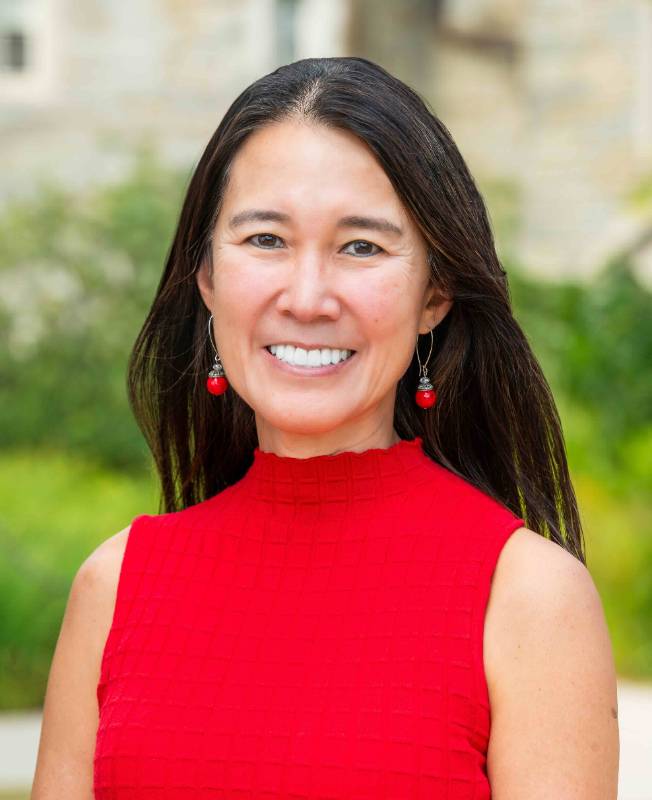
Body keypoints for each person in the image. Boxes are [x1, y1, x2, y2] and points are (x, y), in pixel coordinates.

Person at [32, 57, 619, 798]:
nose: (307, 297)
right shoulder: (114, 589)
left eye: (362, 247)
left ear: (435, 293)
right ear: (206, 277)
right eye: (266, 240)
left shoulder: (530, 597)